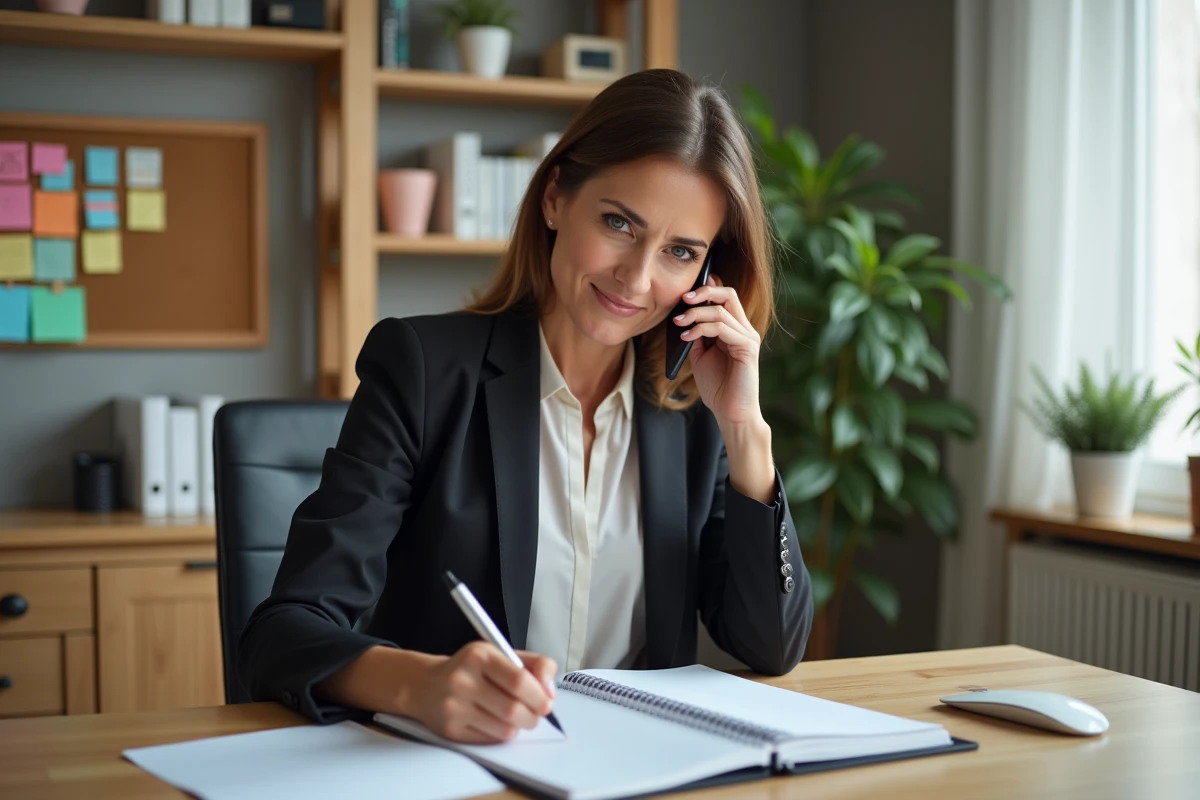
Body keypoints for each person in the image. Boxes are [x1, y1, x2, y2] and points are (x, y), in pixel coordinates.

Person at [238, 68, 813, 744]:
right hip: (457, 768)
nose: (638, 277)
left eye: (680, 252)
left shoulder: (695, 417)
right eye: (619, 222)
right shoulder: (421, 369)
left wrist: (746, 431)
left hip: (633, 772)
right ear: (554, 198)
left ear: (707, 276)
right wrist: (419, 685)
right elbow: (282, 633)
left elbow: (769, 645)